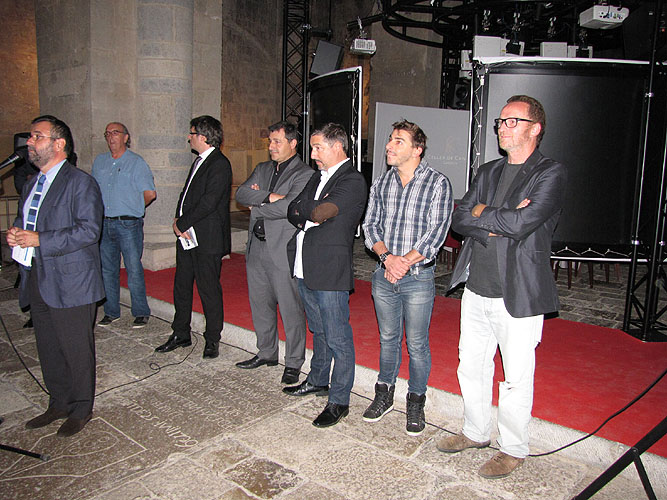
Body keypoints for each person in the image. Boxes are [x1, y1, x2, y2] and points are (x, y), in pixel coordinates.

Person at [437, 95, 567, 479]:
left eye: (512, 121)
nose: (502, 128)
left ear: (535, 128)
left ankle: (513, 448)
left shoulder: (550, 173)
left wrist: (485, 214)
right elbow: (460, 219)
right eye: (500, 121)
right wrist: (494, 219)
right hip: (476, 287)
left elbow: (523, 224)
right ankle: (475, 431)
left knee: (516, 376)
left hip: (519, 291)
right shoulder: (488, 170)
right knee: (471, 365)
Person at [7, 115, 104, 437]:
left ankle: (81, 408)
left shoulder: (80, 182)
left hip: (71, 279)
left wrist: (40, 239)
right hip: (38, 274)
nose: (29, 142)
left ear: (59, 144)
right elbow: (28, 221)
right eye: (31, 136)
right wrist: (17, 234)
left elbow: (89, 231)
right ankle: (59, 402)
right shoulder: (32, 183)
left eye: (37, 136)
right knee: (48, 345)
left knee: (75, 348)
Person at [362, 119, 453, 435]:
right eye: (390, 139)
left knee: (416, 343)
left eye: (398, 140)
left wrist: (403, 263)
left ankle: (415, 401)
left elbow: (436, 233)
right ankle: (384, 393)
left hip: (417, 278)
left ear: (417, 149)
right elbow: (370, 226)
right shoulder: (381, 183)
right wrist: (387, 259)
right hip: (384, 274)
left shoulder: (437, 184)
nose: (389, 145)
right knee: (387, 338)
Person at [282, 123, 366, 427]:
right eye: (313, 147)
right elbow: (292, 209)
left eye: (318, 147)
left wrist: (307, 209)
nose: (313, 154)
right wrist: (307, 210)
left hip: (330, 268)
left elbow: (318, 212)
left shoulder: (352, 180)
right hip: (304, 264)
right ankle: (318, 379)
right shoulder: (318, 176)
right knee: (318, 329)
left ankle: (339, 400)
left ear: (337, 146)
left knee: (337, 336)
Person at [234, 121, 312, 384]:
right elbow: (241, 194)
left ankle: (293, 362)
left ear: (293, 143)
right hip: (256, 246)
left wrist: (258, 204)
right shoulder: (262, 168)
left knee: (290, 309)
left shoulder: (304, 173)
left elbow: (290, 208)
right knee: (260, 304)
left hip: (282, 249)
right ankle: (266, 352)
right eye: (270, 141)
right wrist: (269, 197)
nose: (271, 146)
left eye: (277, 141)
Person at [154, 115, 232, 359]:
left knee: (209, 289)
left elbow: (209, 202)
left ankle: (212, 339)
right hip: (187, 235)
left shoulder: (219, 164)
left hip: (207, 238)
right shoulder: (199, 161)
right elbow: (187, 194)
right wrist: (178, 219)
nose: (189, 137)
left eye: (192, 133)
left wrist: (182, 223)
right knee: (182, 285)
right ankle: (181, 333)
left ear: (204, 136)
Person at [92, 122, 156, 328]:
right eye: (107, 133)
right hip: (104, 223)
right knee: (107, 269)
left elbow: (150, 193)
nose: (111, 137)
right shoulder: (100, 161)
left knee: (133, 268)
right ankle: (111, 311)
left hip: (128, 224)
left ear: (126, 137)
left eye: (115, 133)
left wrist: (133, 208)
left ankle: (140, 311)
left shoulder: (136, 162)